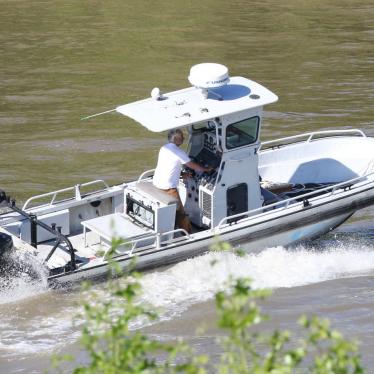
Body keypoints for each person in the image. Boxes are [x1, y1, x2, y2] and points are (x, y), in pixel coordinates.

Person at [153, 128, 212, 233]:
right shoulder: (178, 151)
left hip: (157, 183)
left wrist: (182, 174)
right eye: (182, 137)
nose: (184, 139)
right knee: (180, 212)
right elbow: (192, 165)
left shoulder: (164, 148)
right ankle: (188, 234)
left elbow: (168, 166)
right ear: (176, 139)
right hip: (168, 188)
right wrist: (206, 169)